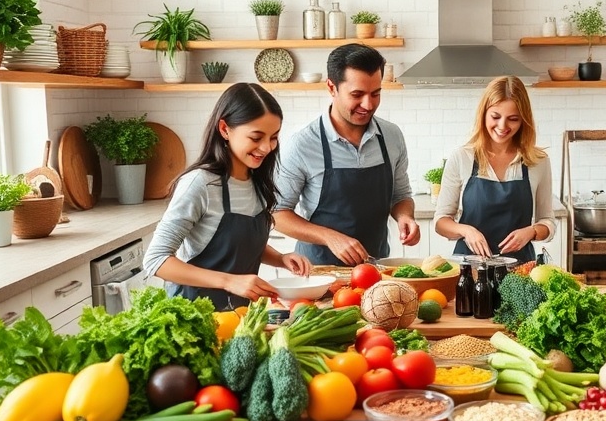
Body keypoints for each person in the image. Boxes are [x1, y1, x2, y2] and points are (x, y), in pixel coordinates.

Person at [143, 83, 311, 310]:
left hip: (239, 315)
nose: (266, 148)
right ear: (224, 129)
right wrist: (229, 281)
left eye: (273, 137)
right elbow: (156, 260)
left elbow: (241, 246)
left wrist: (280, 259)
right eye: (255, 137)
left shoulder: (257, 180)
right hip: (196, 317)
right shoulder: (200, 183)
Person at [274, 44, 420, 266]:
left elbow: (400, 195)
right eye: (357, 94)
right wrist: (329, 237)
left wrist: (405, 217)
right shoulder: (302, 144)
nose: (368, 104)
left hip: (376, 268)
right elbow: (277, 214)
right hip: (319, 274)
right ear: (332, 87)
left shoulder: (391, 136)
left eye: (376, 94)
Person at [433, 75, 555, 264]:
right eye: (495, 117)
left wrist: (531, 232)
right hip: (470, 267)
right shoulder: (462, 158)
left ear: (524, 120)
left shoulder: (538, 162)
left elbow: (547, 221)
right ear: (484, 114)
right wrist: (467, 230)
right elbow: (441, 222)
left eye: (513, 119)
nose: (502, 126)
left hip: (520, 270)